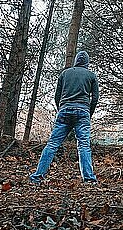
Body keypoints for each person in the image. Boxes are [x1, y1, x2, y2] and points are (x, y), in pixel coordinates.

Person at [29, 51, 99, 184]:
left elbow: (57, 96)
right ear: (87, 63)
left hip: (64, 111)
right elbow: (95, 98)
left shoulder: (65, 74)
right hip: (83, 111)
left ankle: (37, 176)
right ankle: (89, 179)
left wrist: (61, 109)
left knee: (52, 144)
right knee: (84, 145)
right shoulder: (91, 76)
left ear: (76, 60)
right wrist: (89, 113)